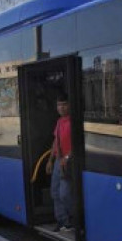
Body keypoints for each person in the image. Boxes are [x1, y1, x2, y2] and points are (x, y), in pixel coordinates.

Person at [45, 93, 74, 232]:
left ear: (69, 105)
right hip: (58, 160)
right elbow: (56, 142)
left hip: (69, 162)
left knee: (65, 194)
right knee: (55, 192)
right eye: (59, 105)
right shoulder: (59, 121)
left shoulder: (73, 121)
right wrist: (50, 160)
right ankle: (63, 222)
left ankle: (74, 219)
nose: (61, 108)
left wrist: (67, 158)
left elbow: (78, 144)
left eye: (64, 104)